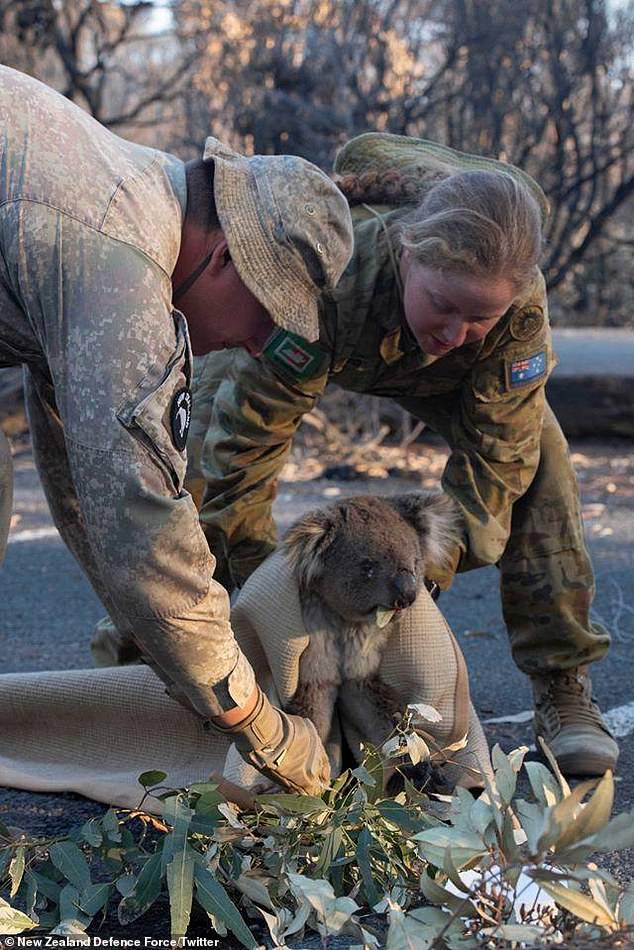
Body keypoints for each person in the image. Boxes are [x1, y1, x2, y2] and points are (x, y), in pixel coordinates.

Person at [180, 133, 618, 778]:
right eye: (445, 304)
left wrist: (412, 579)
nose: (455, 331)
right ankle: (176, 657)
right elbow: (247, 449)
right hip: (331, 330)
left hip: (449, 381)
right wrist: (271, 590)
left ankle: (563, 684)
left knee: (542, 464)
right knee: (198, 463)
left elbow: (497, 463)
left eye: (480, 317)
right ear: (408, 253)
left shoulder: (514, 314)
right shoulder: (335, 275)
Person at [0, 65, 356, 795]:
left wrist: (168, 653)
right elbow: (143, 521)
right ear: (226, 257)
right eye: (264, 317)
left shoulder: (130, 190)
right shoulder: (121, 262)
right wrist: (253, 718)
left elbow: (82, 469)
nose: (259, 347)